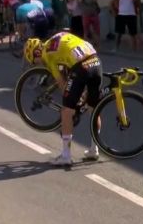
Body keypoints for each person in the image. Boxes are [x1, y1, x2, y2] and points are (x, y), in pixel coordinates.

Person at [23, 31, 102, 165]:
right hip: (95, 61)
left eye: (35, 61)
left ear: (36, 53)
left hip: (81, 67)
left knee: (66, 112)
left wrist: (71, 99)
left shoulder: (47, 54)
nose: (38, 64)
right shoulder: (57, 36)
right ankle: (94, 150)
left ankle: (66, 156)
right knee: (93, 108)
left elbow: (61, 82)